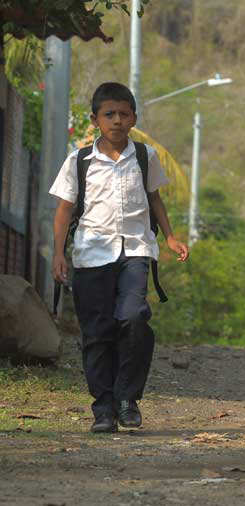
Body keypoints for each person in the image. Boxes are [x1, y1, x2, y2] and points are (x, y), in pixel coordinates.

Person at [50, 82, 189, 433]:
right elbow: (64, 211)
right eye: (108, 114)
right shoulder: (79, 160)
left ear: (133, 118)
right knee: (97, 332)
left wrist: (170, 237)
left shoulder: (145, 157)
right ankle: (103, 408)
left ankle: (128, 399)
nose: (116, 120)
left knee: (133, 319)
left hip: (135, 251)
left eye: (123, 114)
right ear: (96, 119)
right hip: (91, 254)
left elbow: (154, 199)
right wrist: (57, 254)